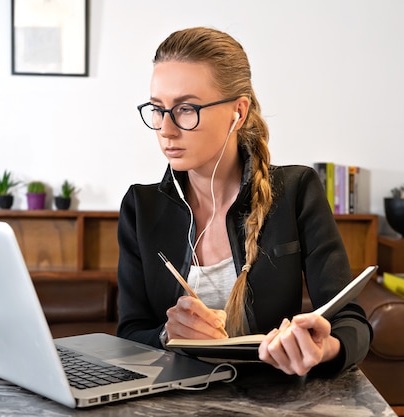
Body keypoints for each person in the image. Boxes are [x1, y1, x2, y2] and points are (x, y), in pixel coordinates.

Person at [116, 26, 372, 376]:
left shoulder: (297, 191)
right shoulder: (140, 208)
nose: (166, 129)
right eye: (158, 109)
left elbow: (351, 323)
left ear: (238, 112)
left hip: (273, 400)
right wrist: (166, 335)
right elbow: (128, 333)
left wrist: (324, 347)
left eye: (186, 109)